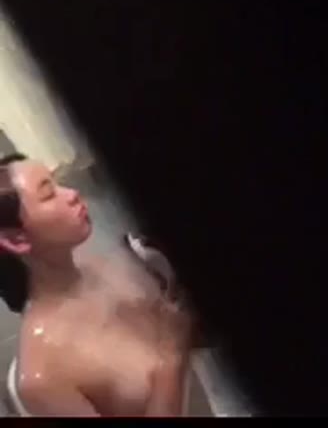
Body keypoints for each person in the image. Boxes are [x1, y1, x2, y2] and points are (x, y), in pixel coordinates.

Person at [0, 153, 193, 416]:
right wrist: (172, 353)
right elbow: (172, 342)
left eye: (57, 182)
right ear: (17, 239)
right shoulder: (42, 377)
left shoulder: (103, 260)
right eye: (48, 194)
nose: (72, 194)